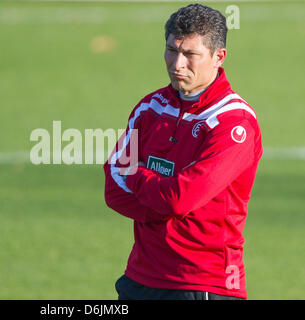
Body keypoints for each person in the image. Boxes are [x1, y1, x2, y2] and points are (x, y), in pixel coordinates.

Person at [103, 3, 262, 300]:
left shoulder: (233, 123)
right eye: (171, 50)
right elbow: (113, 191)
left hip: (202, 284)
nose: (177, 64)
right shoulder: (149, 109)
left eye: (190, 54)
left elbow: (180, 198)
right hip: (139, 278)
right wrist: (166, 201)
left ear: (218, 57)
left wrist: (137, 177)